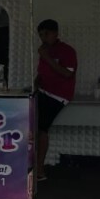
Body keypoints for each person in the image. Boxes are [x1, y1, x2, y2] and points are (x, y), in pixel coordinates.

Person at [35, 19, 78, 181]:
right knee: (30, 125)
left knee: (41, 128)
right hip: (42, 91)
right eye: (40, 35)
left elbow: (68, 73)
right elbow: (42, 72)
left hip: (58, 95)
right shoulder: (45, 50)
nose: (43, 38)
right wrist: (36, 82)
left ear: (55, 33)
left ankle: (39, 170)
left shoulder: (67, 51)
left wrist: (47, 57)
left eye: (46, 34)